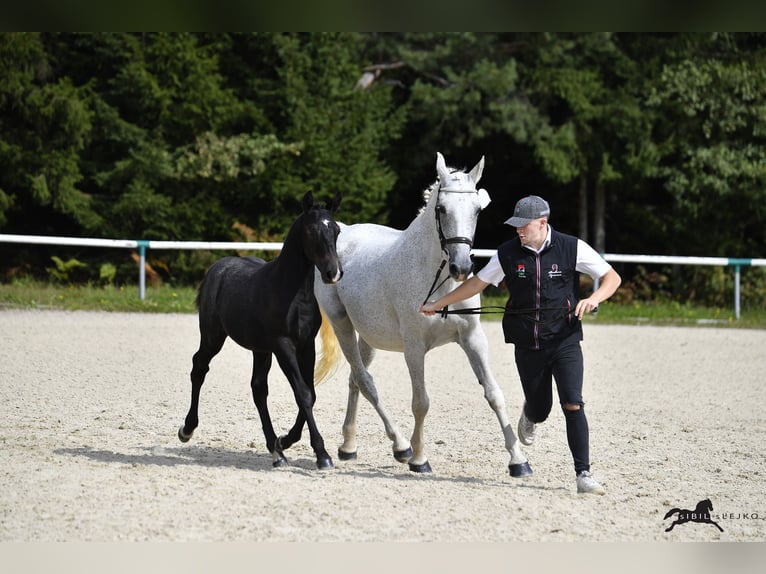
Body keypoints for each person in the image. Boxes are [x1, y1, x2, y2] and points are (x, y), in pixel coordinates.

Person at [420, 195, 621, 495]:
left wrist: (593, 299)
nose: (518, 231)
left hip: (565, 339)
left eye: (523, 225)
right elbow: (476, 284)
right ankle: (531, 414)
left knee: (573, 402)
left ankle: (584, 474)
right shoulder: (507, 253)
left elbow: (611, 277)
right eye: (515, 226)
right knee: (541, 408)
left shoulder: (571, 247)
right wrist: (439, 303)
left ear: (543, 223)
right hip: (528, 344)